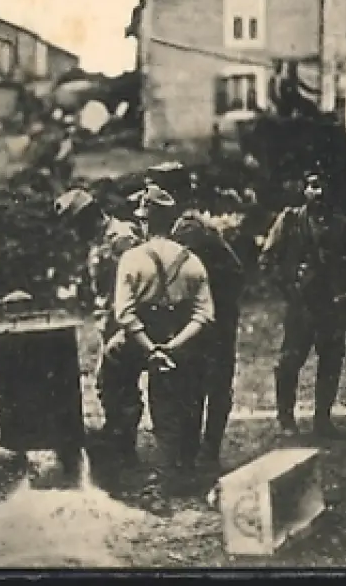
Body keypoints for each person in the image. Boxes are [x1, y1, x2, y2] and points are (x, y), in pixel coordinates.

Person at [113, 186, 215, 488]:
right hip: (182, 339)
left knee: (115, 378)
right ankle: (185, 465)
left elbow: (124, 314)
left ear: (145, 222)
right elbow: (205, 314)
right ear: (172, 223)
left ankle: (125, 452)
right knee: (185, 395)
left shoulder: (131, 259)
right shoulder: (192, 261)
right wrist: (172, 346)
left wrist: (151, 350)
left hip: (141, 340)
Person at [258, 170, 346, 438]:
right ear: (304, 190)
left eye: (324, 186)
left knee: (331, 362)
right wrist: (288, 285)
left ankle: (323, 420)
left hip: (332, 305)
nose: (319, 193)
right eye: (313, 186)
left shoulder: (344, 227)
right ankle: (286, 419)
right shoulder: (290, 221)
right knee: (289, 362)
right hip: (301, 305)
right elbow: (267, 259)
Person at [53, 188, 142, 463]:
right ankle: (120, 439)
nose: (75, 234)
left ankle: (125, 447)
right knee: (110, 383)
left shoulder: (121, 238)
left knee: (119, 383)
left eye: (76, 226)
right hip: (111, 323)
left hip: (127, 323)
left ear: (88, 218)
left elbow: (138, 283)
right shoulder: (100, 240)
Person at [166, 186, 246, 469]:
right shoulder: (197, 229)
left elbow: (233, 274)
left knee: (200, 384)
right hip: (212, 318)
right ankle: (202, 450)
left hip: (209, 321)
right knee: (206, 384)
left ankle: (199, 450)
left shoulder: (188, 231)